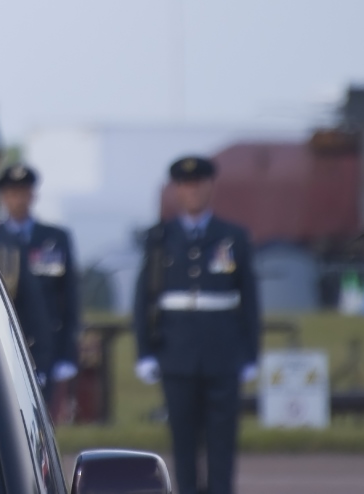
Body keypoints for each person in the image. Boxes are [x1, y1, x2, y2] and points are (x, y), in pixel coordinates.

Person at [132, 156, 260, 494]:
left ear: (209, 187)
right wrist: (145, 352)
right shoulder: (160, 238)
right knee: (183, 443)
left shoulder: (232, 236)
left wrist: (250, 354)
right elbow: (143, 300)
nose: (192, 191)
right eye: (185, 186)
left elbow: (250, 300)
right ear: (176, 191)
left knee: (222, 444)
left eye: (198, 184)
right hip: (176, 353)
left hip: (223, 352)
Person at [0, 164, 80, 398]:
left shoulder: (55, 238)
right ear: (3, 197)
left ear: (33, 195)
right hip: (2, 342)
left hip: (46, 345)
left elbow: (69, 298)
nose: (19, 199)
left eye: (24, 192)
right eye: (12, 193)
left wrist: (67, 354)